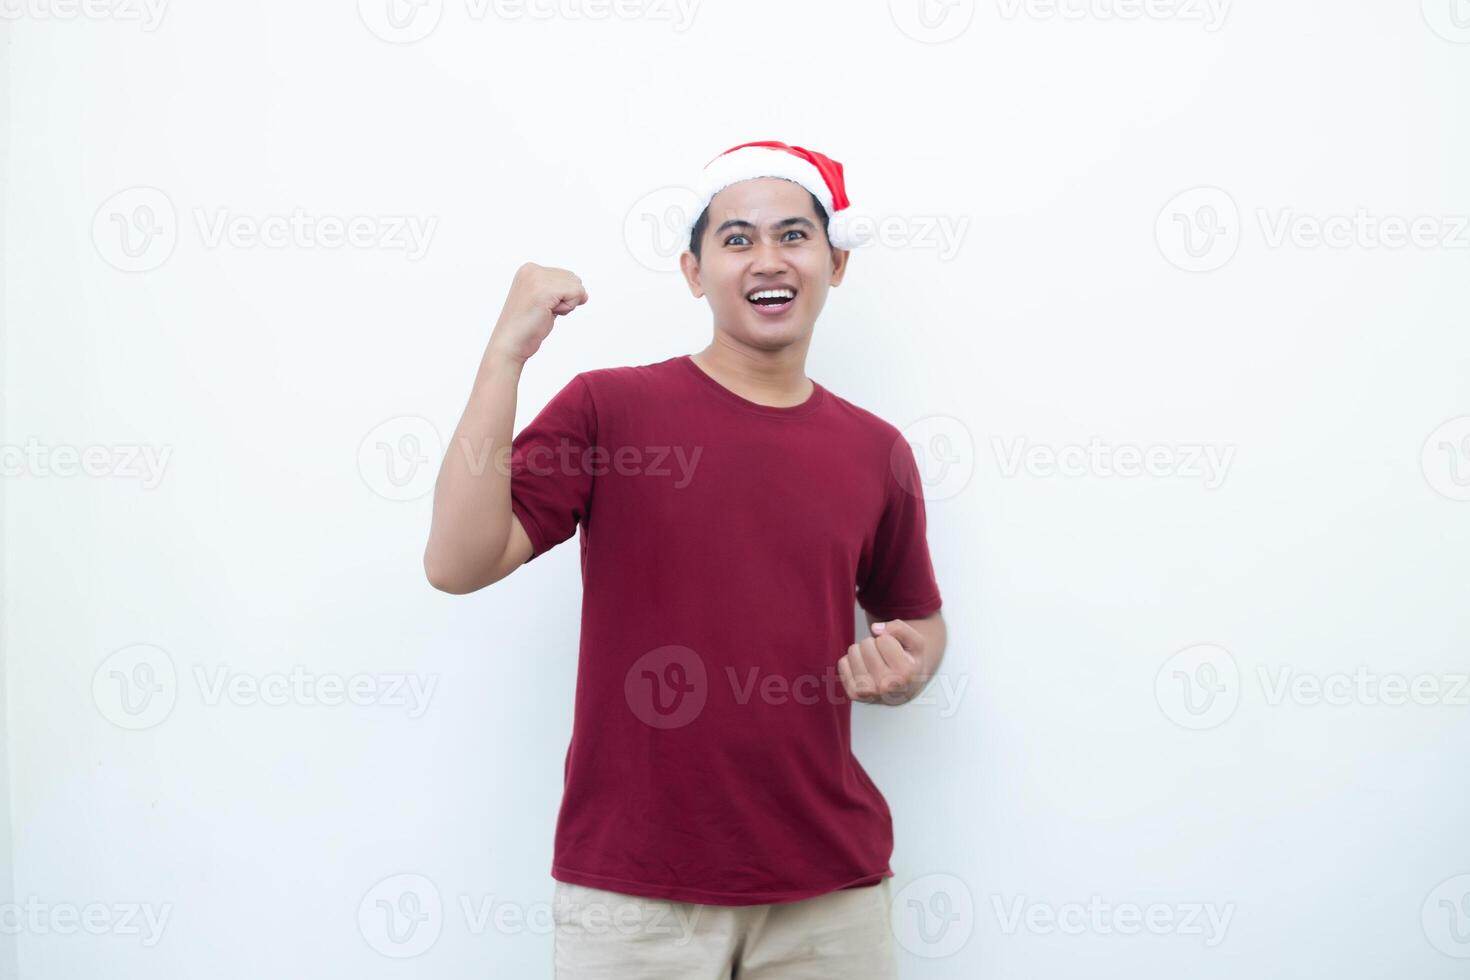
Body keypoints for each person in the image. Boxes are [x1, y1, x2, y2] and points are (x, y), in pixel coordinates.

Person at [424, 140, 948, 979]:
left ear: (836, 262)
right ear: (693, 271)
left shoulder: (876, 450)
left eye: (793, 236)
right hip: (634, 898)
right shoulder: (611, 408)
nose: (767, 261)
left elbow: (916, 617)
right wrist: (505, 356)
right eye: (736, 239)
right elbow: (458, 561)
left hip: (830, 896)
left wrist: (907, 669)